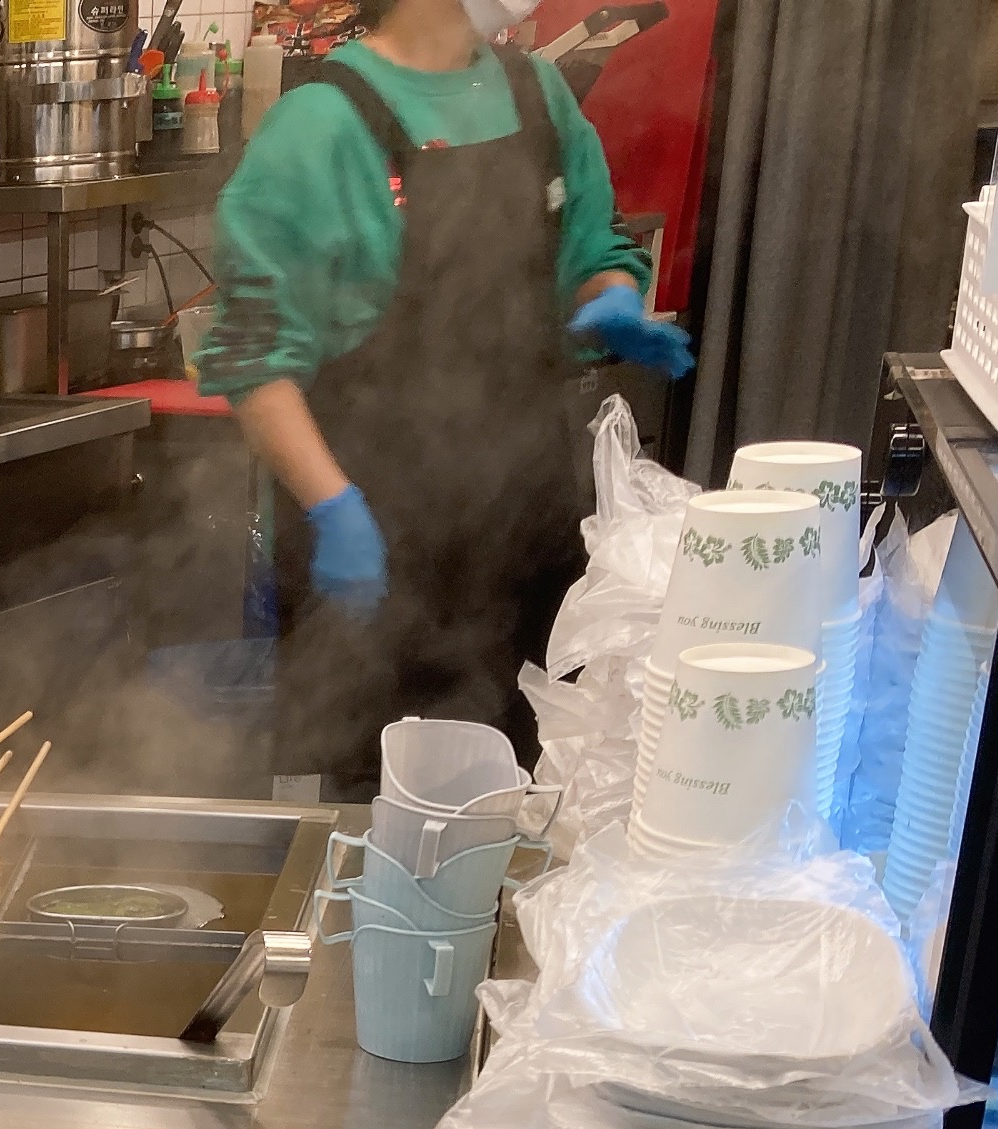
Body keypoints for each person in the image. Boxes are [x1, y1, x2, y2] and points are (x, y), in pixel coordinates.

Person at [197, 0, 695, 798]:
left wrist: (610, 296)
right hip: (377, 551)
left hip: (527, 538)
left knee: (539, 793)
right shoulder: (320, 124)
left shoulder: (537, 94)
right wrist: (334, 507)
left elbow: (594, 244)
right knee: (384, 816)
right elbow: (254, 361)